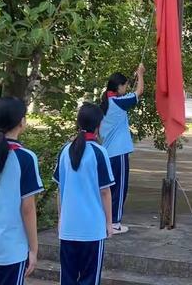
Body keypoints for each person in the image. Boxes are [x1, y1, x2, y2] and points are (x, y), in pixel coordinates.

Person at [53, 103, 114, 285]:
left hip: (68, 227)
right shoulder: (99, 152)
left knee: (68, 279)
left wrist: (60, 218)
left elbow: (60, 190)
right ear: (98, 125)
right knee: (89, 279)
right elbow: (105, 192)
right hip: (92, 229)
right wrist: (109, 223)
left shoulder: (65, 150)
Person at [0, 97, 44, 285]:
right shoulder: (25, 158)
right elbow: (28, 208)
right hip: (11, 249)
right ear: (21, 122)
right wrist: (33, 249)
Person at [99, 64, 145, 234]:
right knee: (119, 188)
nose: (126, 88)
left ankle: (106, 221)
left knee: (107, 189)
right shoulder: (117, 102)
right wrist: (140, 74)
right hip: (118, 153)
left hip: (107, 152)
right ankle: (115, 222)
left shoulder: (105, 101)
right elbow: (139, 91)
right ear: (118, 87)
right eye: (124, 85)